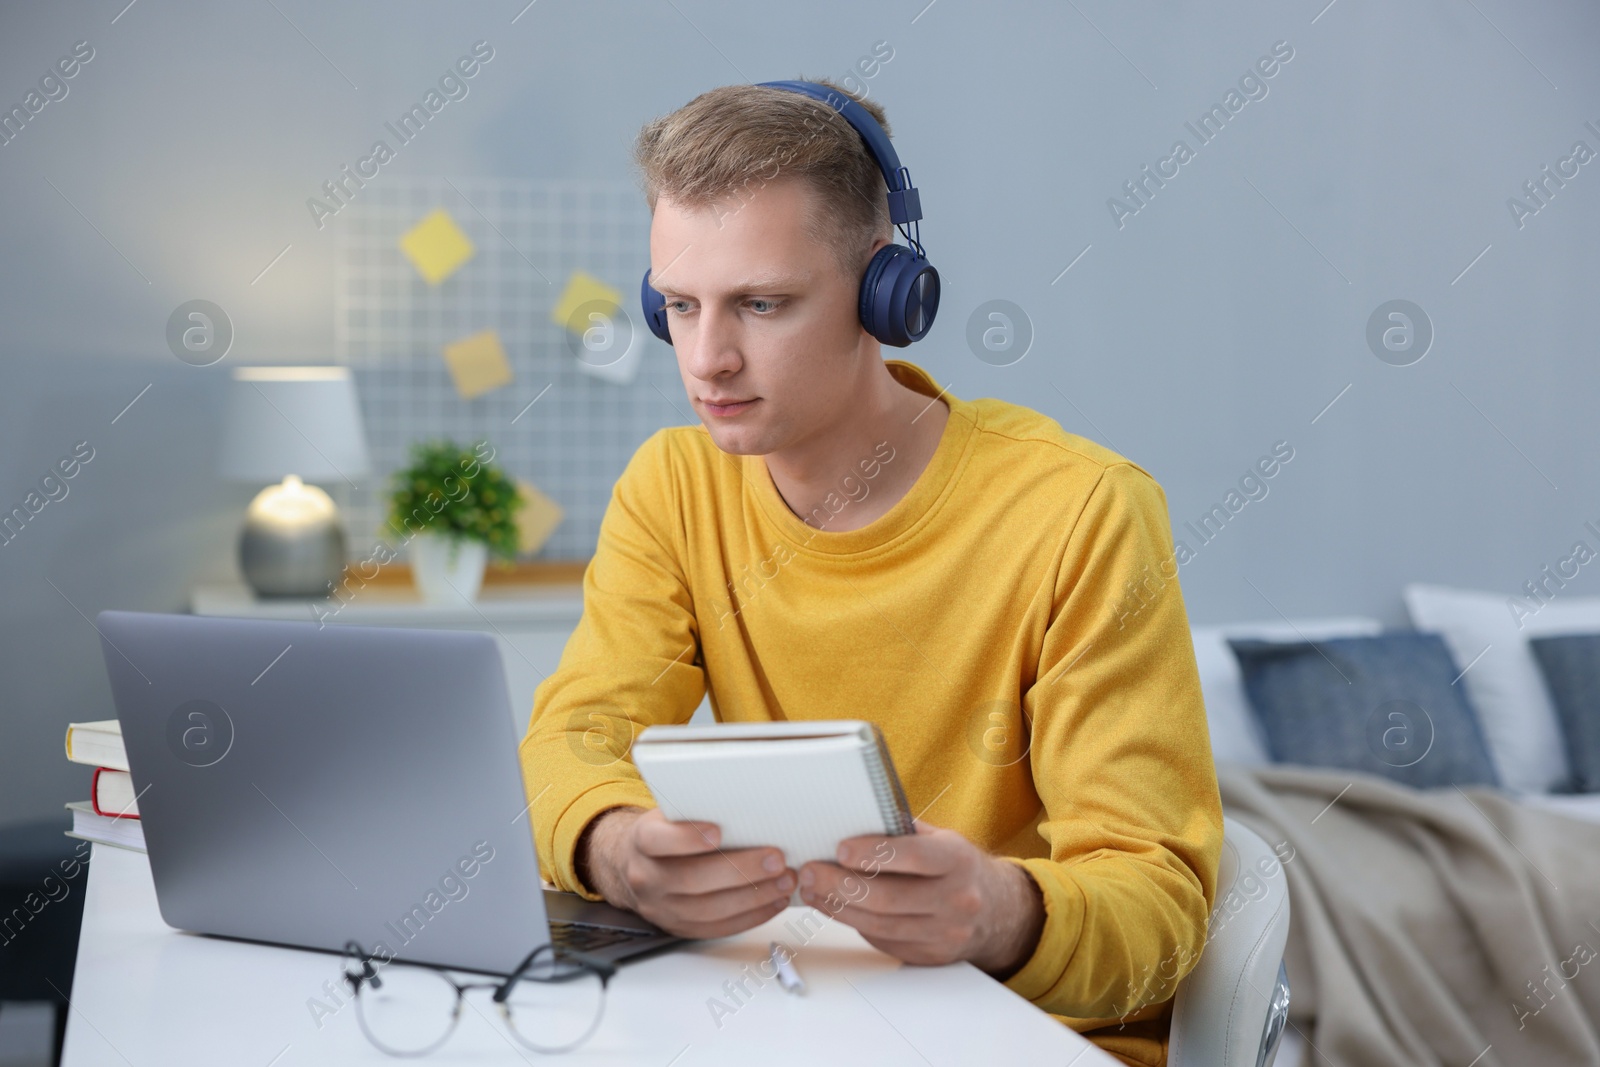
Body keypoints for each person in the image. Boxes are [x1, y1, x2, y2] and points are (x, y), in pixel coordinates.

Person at [519, 77, 1223, 1067]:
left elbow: (1158, 911)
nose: (707, 358)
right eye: (679, 304)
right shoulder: (671, 488)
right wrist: (612, 843)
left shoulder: (1082, 510)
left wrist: (999, 912)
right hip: (782, 1021)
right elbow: (570, 740)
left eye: (761, 303)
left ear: (890, 296)